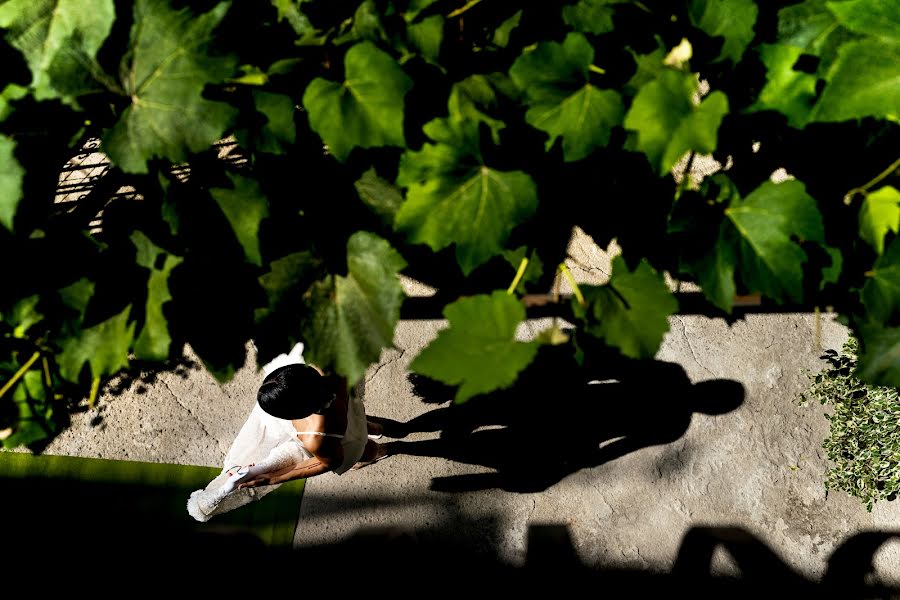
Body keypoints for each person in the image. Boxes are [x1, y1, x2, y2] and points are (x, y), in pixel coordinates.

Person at [187, 343, 388, 522]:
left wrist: (274, 478)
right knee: (356, 418)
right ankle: (374, 427)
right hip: (347, 408)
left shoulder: (314, 435)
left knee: (365, 449)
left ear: (296, 413)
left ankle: (378, 450)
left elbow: (330, 462)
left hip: (341, 439)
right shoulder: (328, 365)